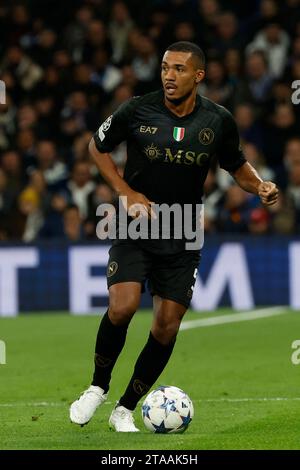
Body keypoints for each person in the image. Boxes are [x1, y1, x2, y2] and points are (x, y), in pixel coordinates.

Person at [69, 41, 278, 432]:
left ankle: (125, 407)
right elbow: (96, 148)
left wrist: (261, 185)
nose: (169, 75)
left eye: (179, 69)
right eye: (165, 67)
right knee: (123, 307)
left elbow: (236, 164)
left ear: (198, 76)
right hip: (135, 225)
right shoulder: (136, 109)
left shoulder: (217, 120)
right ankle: (97, 387)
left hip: (182, 233)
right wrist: (125, 192)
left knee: (166, 325)